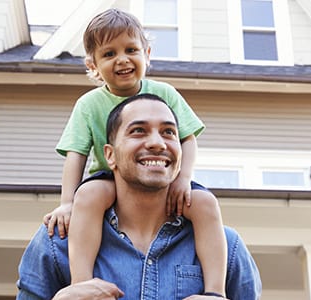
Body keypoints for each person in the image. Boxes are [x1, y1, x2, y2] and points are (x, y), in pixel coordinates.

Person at [42, 8, 230, 296]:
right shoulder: (89, 104)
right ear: (93, 65)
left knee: (204, 202)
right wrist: (67, 202)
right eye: (109, 54)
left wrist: (184, 177)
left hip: (164, 178)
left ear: (147, 54)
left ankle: (215, 291)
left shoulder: (164, 93)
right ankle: (82, 284)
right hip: (109, 178)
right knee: (89, 196)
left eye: (131, 49)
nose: (122, 59)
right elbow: (76, 154)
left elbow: (188, 139)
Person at [19, 94, 262, 299]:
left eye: (168, 132)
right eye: (138, 131)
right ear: (110, 155)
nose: (157, 143)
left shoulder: (226, 246)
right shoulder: (57, 241)